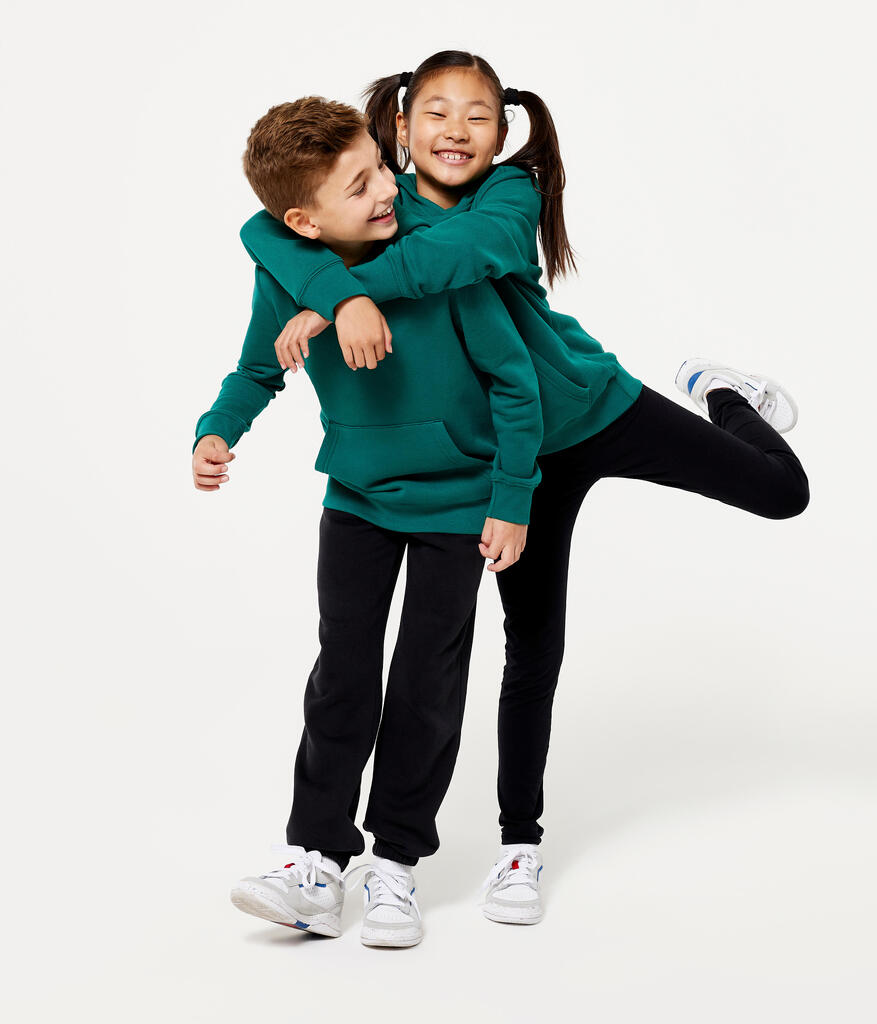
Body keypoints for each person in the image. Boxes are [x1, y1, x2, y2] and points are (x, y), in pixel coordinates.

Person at [237, 51, 810, 926]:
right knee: (532, 648)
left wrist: (338, 296)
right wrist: (337, 295)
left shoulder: (509, 194)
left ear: (505, 131)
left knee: (781, 490)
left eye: (479, 116)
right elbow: (264, 232)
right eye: (435, 113)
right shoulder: (380, 198)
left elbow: (466, 253)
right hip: (510, 453)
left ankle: (724, 395)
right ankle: (519, 843)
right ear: (399, 128)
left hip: (592, 406)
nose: (457, 131)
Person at [193, 96, 551, 947]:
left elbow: (515, 383)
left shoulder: (438, 258)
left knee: (427, 685)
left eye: (380, 167)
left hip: (455, 509)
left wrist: (511, 500)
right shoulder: (287, 272)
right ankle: (317, 861)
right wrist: (216, 429)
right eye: (359, 186)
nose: (390, 187)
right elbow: (257, 369)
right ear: (303, 222)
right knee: (342, 677)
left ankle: (395, 862)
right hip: (355, 501)